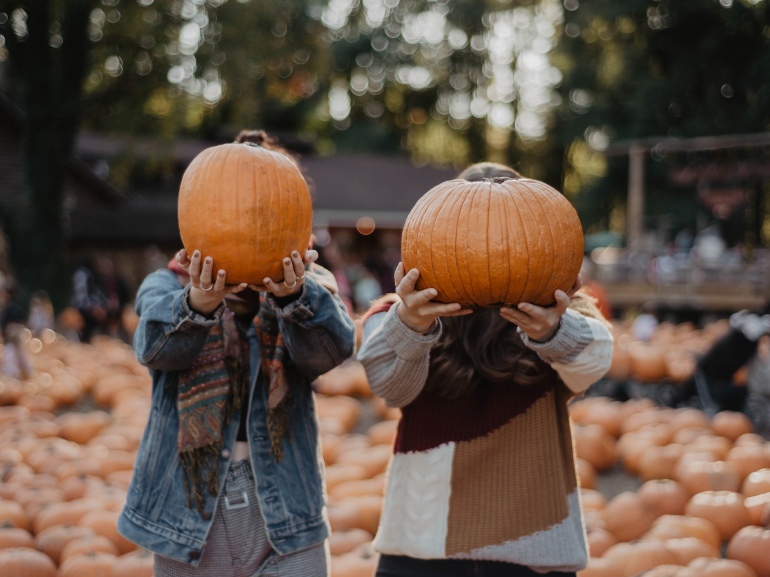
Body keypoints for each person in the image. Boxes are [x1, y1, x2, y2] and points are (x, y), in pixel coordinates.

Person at [356, 162, 614, 577]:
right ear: (444, 237)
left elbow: (594, 365)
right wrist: (411, 324)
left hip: (531, 542)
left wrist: (553, 332)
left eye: (504, 237)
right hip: (422, 543)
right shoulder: (396, 315)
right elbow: (388, 387)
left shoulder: (561, 314)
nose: (489, 245)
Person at [117, 130, 356, 577]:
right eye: (238, 211)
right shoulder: (168, 285)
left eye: (269, 212)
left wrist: (292, 300)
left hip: (287, 508)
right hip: (185, 505)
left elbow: (330, 351)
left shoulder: (312, 288)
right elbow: (153, 349)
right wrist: (199, 304)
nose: (253, 223)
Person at [656, 308, 770, 426]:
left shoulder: (749, 332)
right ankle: (676, 397)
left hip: (724, 370)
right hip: (718, 369)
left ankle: (676, 398)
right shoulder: (747, 330)